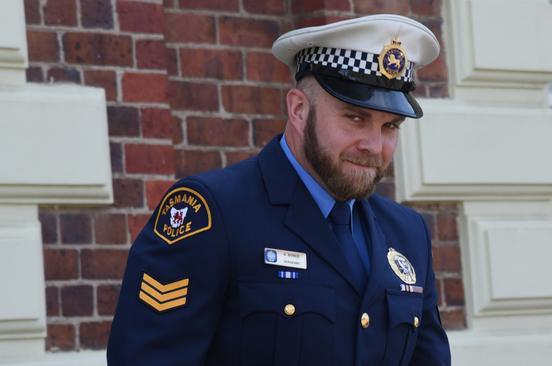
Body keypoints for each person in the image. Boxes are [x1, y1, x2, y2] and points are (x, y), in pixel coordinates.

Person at [107, 14, 451, 366]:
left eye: (390, 126)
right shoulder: (214, 213)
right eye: (355, 118)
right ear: (299, 110)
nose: (374, 145)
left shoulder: (407, 234)